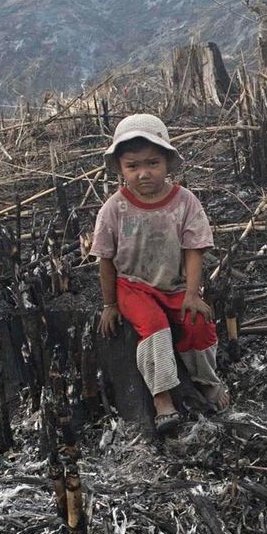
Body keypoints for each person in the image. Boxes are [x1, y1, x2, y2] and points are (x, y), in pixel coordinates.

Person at [91, 113, 228, 429]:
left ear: (167, 162)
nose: (143, 173)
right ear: (121, 168)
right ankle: (161, 396)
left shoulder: (184, 202)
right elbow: (105, 259)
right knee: (154, 327)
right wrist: (110, 304)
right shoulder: (114, 208)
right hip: (133, 285)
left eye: (152, 163)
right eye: (132, 166)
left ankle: (206, 380)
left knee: (197, 324)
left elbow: (194, 248)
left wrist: (192, 293)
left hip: (174, 284)